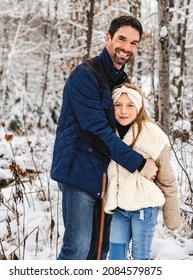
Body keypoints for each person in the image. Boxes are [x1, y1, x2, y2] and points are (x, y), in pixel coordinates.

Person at [51, 15, 159, 260]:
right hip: (78, 173)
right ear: (108, 38)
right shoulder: (85, 76)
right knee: (76, 249)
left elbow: (133, 127)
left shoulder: (123, 83)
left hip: (107, 178)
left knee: (100, 251)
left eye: (134, 43)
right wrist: (139, 164)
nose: (127, 47)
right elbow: (96, 131)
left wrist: (155, 152)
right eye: (122, 39)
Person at [104, 83, 182, 260]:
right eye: (118, 105)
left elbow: (166, 178)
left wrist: (171, 215)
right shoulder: (108, 132)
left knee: (140, 257)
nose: (123, 110)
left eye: (130, 105)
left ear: (138, 107)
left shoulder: (152, 134)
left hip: (144, 207)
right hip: (119, 207)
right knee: (116, 256)